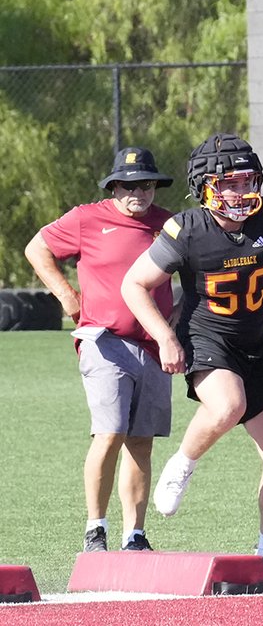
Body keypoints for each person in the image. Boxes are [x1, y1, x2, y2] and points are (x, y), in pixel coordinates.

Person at [121, 133, 263, 589]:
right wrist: (165, 336)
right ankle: (183, 464)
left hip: (257, 343)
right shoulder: (187, 229)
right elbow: (134, 284)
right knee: (228, 405)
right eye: (228, 183)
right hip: (206, 335)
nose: (239, 191)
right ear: (205, 186)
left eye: (246, 180)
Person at [25, 147, 175, 553]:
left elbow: (195, 275)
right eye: (128, 185)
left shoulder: (169, 224)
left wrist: (173, 326)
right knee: (110, 432)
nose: (138, 193)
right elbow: (36, 248)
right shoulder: (86, 218)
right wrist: (67, 297)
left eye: (146, 185)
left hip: (154, 345)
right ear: (113, 186)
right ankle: (96, 529)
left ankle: (135, 535)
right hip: (104, 341)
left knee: (141, 441)